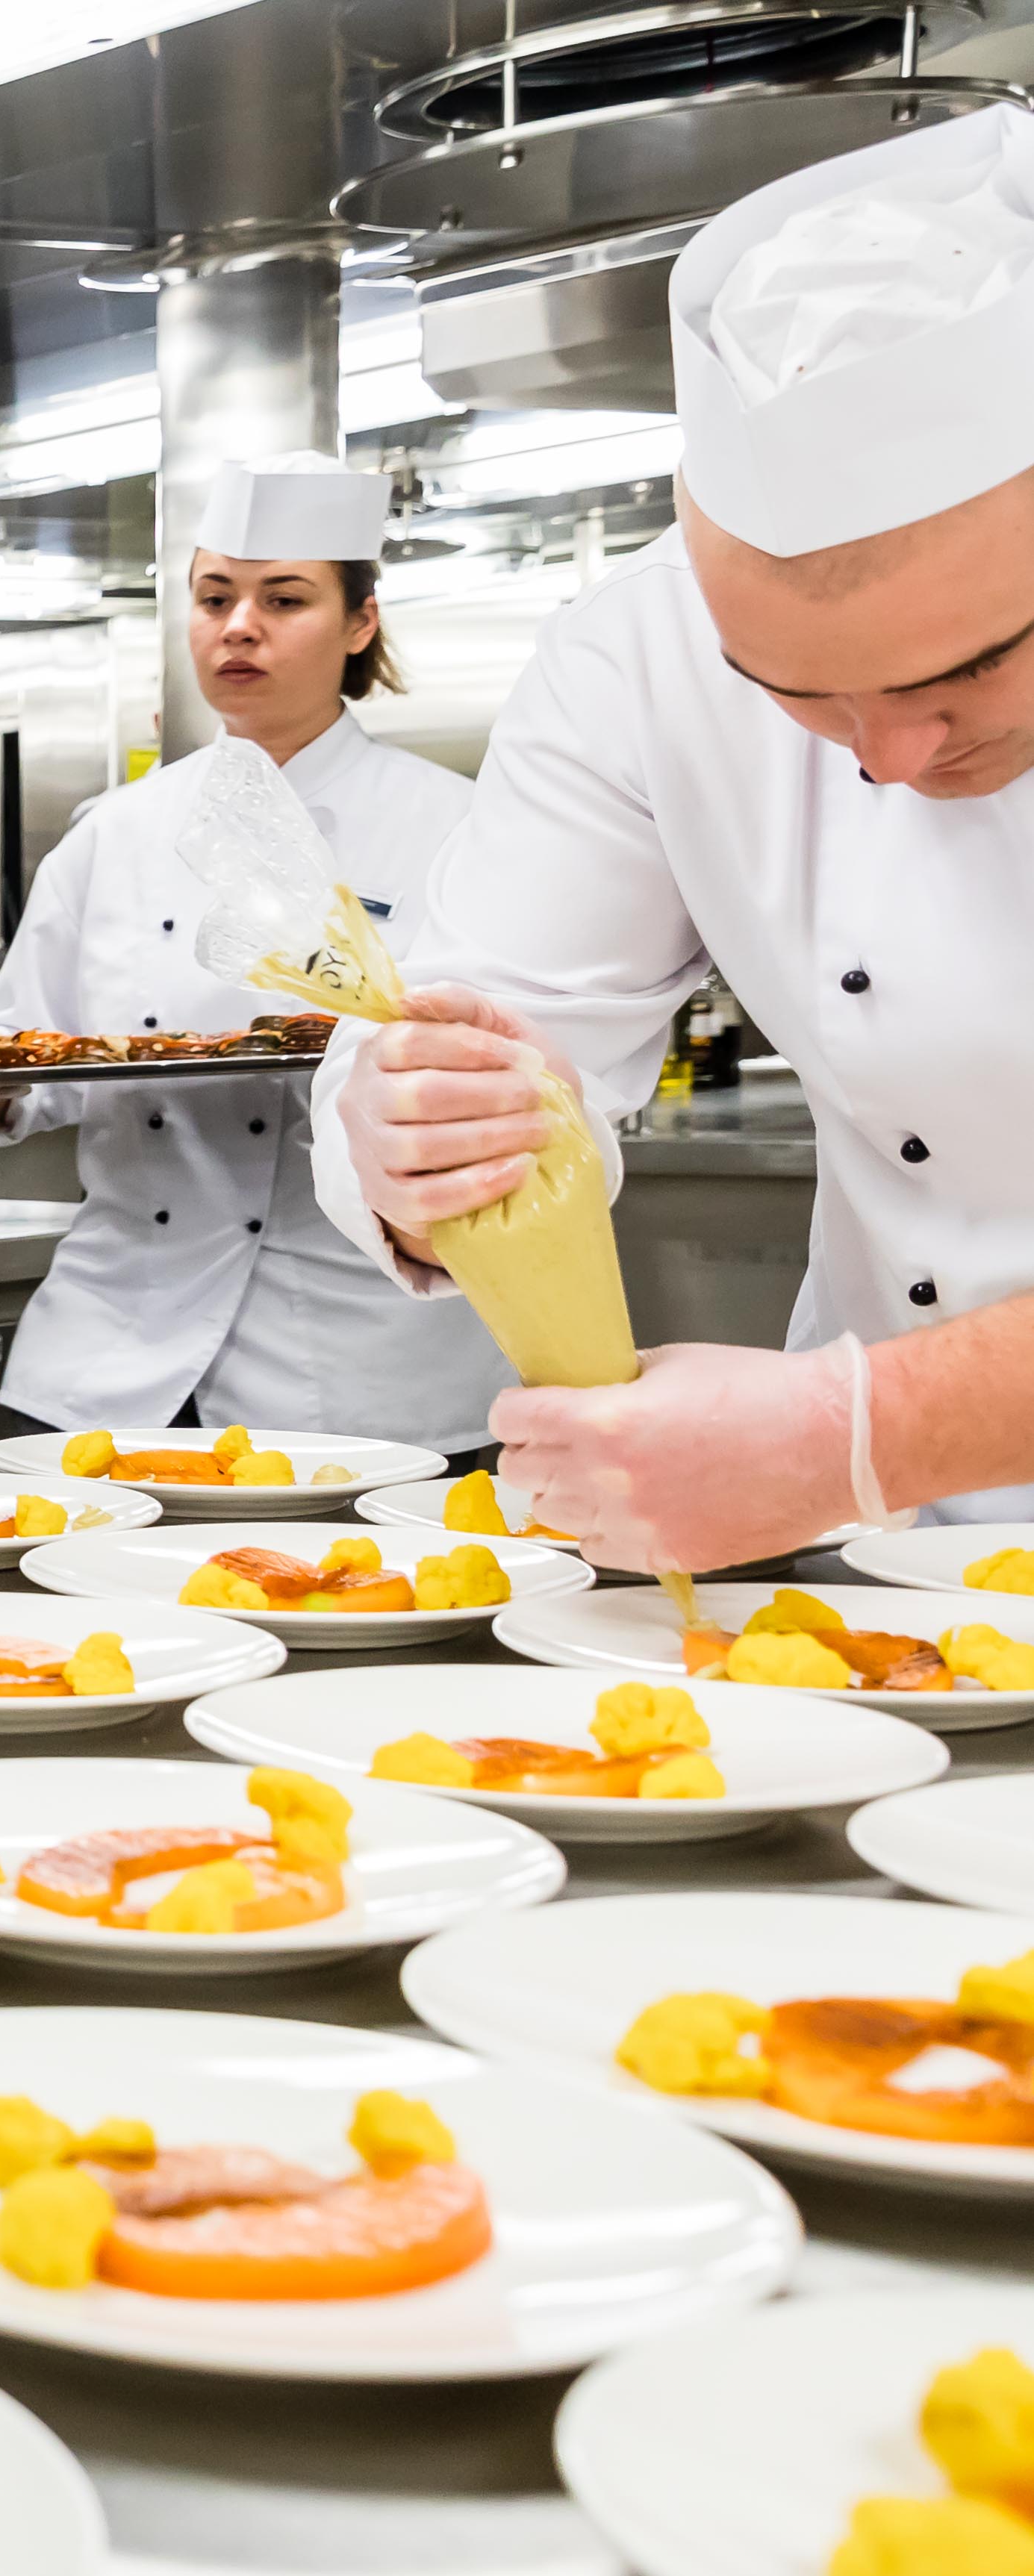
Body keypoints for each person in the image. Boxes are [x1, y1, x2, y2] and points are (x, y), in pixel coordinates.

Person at [322, 106, 1034, 1567]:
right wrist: (413, 1134)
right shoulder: (638, 650)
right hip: (882, 1564)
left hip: (851, 1468)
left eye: (964, 672)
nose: (891, 760)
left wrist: (866, 1428)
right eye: (800, 699)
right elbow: (497, 1023)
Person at [0, 455, 510, 1449]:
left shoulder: (457, 828)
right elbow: (33, 1053)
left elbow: (507, 1068)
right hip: (113, 1355)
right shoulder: (113, 832)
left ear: (359, 621)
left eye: (281, 599)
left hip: (365, 1362)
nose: (237, 626)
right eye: (211, 598)